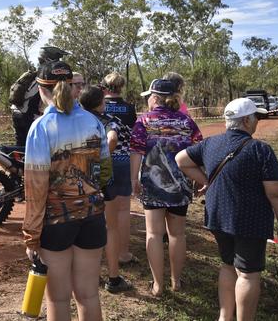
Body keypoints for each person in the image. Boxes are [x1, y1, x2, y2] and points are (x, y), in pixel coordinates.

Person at [176, 97, 278, 321]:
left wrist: (207, 181)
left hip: (218, 216)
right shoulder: (261, 150)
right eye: (256, 117)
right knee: (248, 275)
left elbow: (181, 159)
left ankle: (224, 316)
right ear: (247, 121)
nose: (258, 121)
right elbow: (276, 192)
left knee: (228, 265)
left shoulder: (210, 143)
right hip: (250, 221)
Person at [23, 61, 113, 320]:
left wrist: (31, 235)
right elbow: (105, 171)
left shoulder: (41, 127)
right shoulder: (93, 121)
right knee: (89, 295)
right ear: (72, 87)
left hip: (55, 222)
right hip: (93, 216)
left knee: (58, 299)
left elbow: (36, 187)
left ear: (42, 89)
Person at [130, 78, 202, 297]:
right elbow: (199, 149)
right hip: (180, 186)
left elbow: (136, 151)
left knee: (153, 234)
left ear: (154, 97)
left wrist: (134, 179)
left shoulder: (144, 121)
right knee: (177, 235)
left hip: (152, 185)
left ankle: (158, 285)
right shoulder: (187, 121)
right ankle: (175, 281)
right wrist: (200, 179)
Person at [79, 86, 133, 293]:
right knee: (110, 227)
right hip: (102, 179)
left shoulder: (75, 119)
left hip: (78, 180)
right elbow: (112, 139)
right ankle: (113, 278)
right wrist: (101, 157)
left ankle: (87, 277)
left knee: (83, 225)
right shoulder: (107, 120)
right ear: (99, 103)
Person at [101, 72, 137, 265]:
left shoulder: (96, 106)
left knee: (101, 208)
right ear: (121, 87)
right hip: (123, 159)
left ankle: (102, 253)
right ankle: (122, 253)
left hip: (101, 159)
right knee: (123, 210)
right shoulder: (130, 108)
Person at [10, 46, 69, 146]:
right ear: (50, 59)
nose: (59, 61)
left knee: (21, 145)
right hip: (29, 115)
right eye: (57, 58)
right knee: (35, 146)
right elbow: (44, 99)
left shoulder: (31, 74)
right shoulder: (45, 77)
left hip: (17, 112)